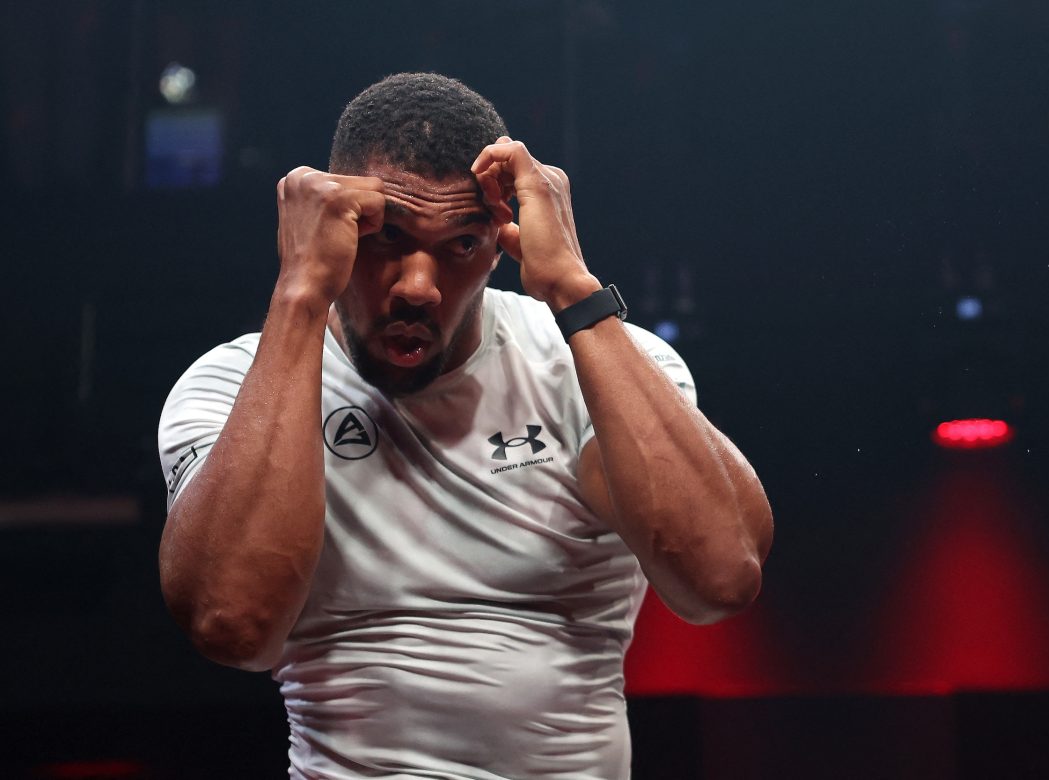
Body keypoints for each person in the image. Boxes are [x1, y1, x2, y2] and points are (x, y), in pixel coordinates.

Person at [157, 72, 773, 779]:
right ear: (332, 227)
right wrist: (300, 293)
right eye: (387, 237)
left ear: (500, 241)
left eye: (462, 244)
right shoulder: (234, 384)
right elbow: (233, 627)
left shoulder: (588, 360)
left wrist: (573, 287)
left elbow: (720, 579)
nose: (418, 286)